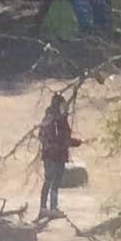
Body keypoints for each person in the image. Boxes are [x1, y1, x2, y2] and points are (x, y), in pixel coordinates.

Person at [37, 85, 85, 221]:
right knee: (54, 182)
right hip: (55, 156)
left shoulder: (50, 119)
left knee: (49, 181)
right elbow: (62, 139)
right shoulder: (55, 120)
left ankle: (45, 208)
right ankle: (51, 208)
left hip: (52, 155)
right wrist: (76, 142)